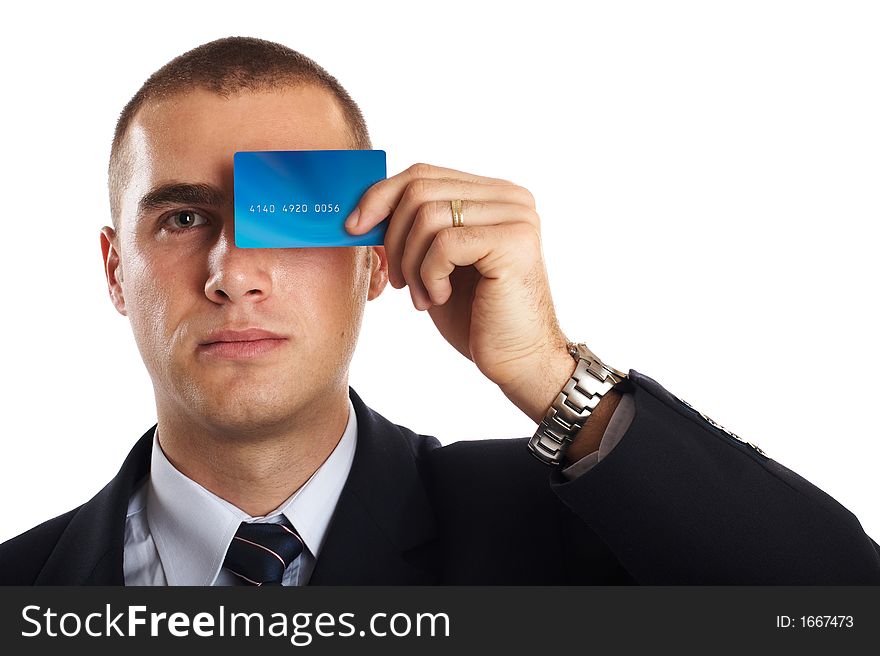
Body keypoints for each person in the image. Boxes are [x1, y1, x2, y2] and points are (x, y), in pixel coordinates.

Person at [1, 36, 877, 586]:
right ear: (116, 271)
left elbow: (843, 608)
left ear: (375, 255)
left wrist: (549, 370)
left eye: (290, 216)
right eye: (184, 219)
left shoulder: (560, 533)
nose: (235, 274)